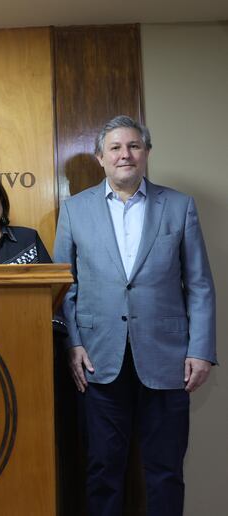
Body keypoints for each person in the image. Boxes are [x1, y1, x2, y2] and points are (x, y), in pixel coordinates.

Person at [54, 115, 216, 516]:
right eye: (115, 148)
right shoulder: (74, 210)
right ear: (100, 157)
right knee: (103, 469)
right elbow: (63, 287)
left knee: (164, 470)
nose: (125, 155)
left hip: (167, 359)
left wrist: (201, 350)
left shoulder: (178, 206)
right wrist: (73, 344)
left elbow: (199, 285)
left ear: (145, 153)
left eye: (134, 146)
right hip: (97, 359)